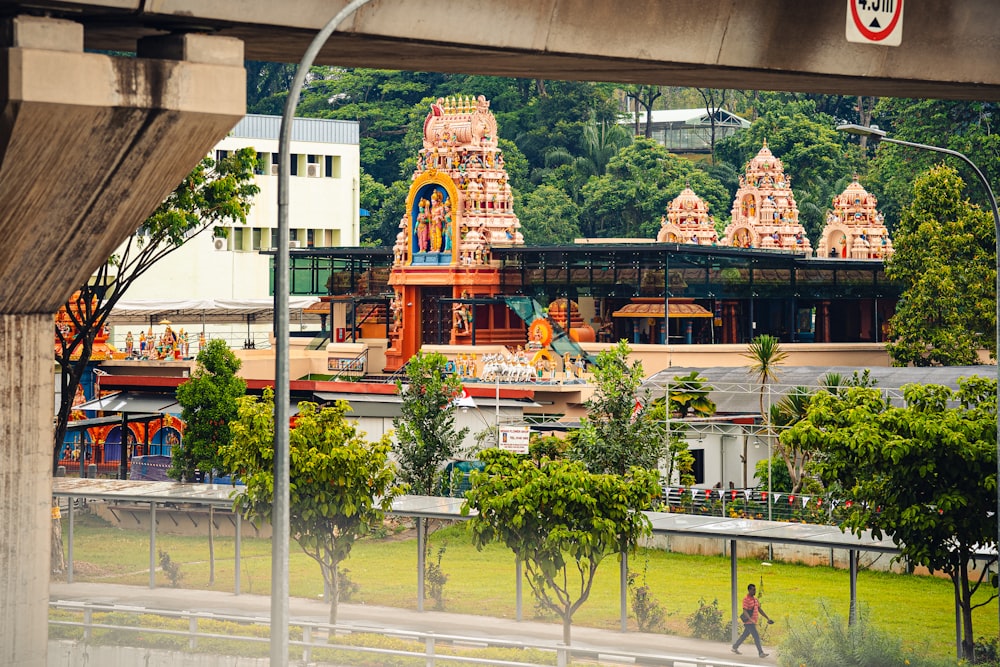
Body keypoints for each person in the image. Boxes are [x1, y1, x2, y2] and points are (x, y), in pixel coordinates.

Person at [732, 583, 773, 657]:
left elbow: (759, 609)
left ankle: (735, 647)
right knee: (756, 636)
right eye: (753, 590)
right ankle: (760, 653)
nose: (755, 591)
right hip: (749, 622)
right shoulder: (746, 599)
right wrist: (750, 619)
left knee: (744, 635)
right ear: (749, 590)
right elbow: (745, 611)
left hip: (753, 621)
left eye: (755, 590)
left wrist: (767, 618)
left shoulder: (755, 600)